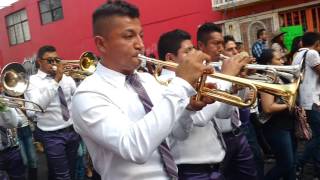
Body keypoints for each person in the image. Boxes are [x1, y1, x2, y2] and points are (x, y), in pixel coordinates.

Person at [71, 1, 215, 180]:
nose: (140, 44)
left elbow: (178, 134)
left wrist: (188, 109)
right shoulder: (88, 94)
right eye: (128, 36)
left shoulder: (148, 80)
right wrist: (181, 84)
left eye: (141, 35)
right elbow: (134, 148)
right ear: (101, 44)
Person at [157, 29, 247, 180]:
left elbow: (223, 114)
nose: (195, 55)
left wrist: (235, 88)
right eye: (188, 51)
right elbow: (199, 118)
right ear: (170, 58)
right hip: (192, 170)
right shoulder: (165, 85)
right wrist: (226, 78)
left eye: (193, 49)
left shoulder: (195, 78)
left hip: (216, 164)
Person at [24, 45, 80, 180]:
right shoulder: (32, 82)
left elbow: (77, 98)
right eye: (50, 60)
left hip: (72, 131)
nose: (54, 63)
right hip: (52, 135)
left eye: (57, 59)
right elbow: (36, 108)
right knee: (62, 175)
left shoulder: (66, 78)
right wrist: (55, 81)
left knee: (72, 170)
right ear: (39, 62)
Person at [258, 49, 296, 180]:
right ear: (269, 62)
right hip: (276, 127)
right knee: (286, 164)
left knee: (291, 164)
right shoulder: (267, 78)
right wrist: (289, 105)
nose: (282, 62)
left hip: (286, 123)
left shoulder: (279, 76)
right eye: (278, 59)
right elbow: (268, 108)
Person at [292, 32, 320, 179]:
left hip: (305, 100)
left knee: (316, 136)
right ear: (317, 43)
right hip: (314, 101)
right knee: (318, 137)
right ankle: (299, 163)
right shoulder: (313, 53)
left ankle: (317, 170)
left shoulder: (298, 54)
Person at [0, 106, 26, 180]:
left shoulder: (4, 101)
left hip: (13, 149)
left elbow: (19, 123)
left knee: (19, 177)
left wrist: (5, 108)